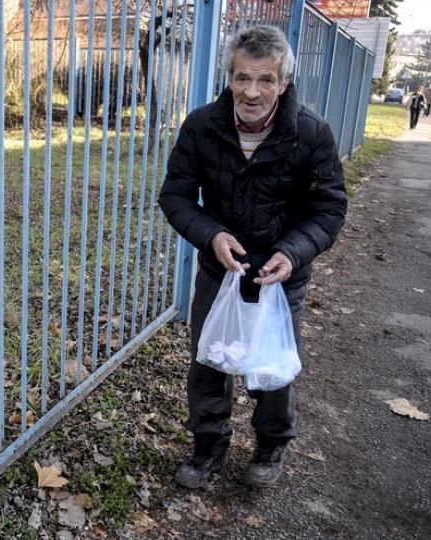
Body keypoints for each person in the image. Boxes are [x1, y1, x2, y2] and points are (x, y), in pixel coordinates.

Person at [158, 25, 347, 489]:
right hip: (219, 269)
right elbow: (176, 196)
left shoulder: (311, 134)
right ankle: (208, 445)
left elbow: (329, 207)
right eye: (242, 78)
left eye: (265, 80)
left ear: (284, 82)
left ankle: (270, 444)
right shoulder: (202, 125)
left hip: (279, 275)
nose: (252, 91)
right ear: (229, 77)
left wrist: (292, 252)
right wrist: (212, 235)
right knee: (208, 362)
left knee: (272, 367)